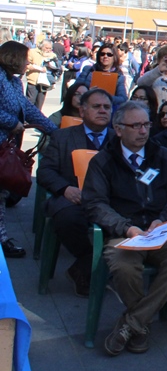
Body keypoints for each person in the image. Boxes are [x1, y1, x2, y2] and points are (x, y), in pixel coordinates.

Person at [81, 101, 167, 356]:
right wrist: (126, 227)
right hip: (124, 232)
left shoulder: (163, 155)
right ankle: (140, 325)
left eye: (146, 124)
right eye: (136, 126)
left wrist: (163, 219)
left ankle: (131, 323)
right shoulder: (103, 161)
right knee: (124, 266)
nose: (143, 131)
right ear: (119, 129)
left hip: (162, 229)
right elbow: (95, 204)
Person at [37, 87, 114, 295]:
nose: (102, 110)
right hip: (73, 199)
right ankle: (91, 262)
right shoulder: (62, 137)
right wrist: (65, 189)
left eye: (107, 107)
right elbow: (45, 172)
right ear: (82, 111)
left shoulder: (120, 139)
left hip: (109, 201)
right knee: (67, 218)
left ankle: (84, 269)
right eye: (96, 106)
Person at [0, 41, 58, 256]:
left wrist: (54, 130)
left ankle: (2, 240)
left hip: (5, 147)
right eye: (26, 59)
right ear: (13, 58)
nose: (28, 63)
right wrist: (11, 122)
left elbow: (28, 109)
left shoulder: (15, 82)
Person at [77, 43, 129, 108]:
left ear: (114, 57)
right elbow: (76, 89)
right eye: (102, 54)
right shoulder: (88, 70)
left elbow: (123, 98)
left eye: (109, 54)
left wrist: (105, 97)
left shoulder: (119, 76)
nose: (105, 56)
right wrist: (88, 93)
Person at [25, 39, 59, 109]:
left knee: (39, 103)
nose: (48, 50)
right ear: (41, 46)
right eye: (46, 48)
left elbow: (57, 67)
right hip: (33, 81)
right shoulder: (32, 52)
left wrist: (52, 67)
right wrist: (38, 68)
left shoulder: (52, 55)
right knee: (30, 102)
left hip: (45, 82)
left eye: (50, 48)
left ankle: (37, 115)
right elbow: (26, 65)